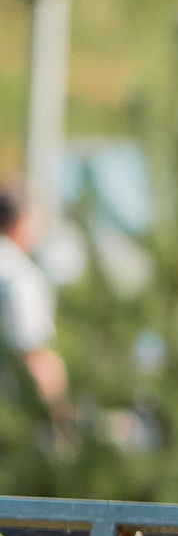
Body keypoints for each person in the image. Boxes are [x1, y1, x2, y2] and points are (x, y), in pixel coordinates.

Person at [0, 185, 68, 436]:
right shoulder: (20, 276)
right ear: (21, 222)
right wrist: (62, 422)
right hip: (11, 414)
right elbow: (33, 354)